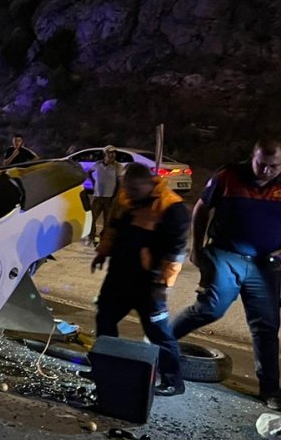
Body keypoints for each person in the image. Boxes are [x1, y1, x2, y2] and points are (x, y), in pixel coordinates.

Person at [171, 139, 281, 410]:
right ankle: (160, 342)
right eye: (262, 164)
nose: (266, 171)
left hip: (265, 265)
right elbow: (200, 209)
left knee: (266, 327)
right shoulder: (228, 175)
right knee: (210, 308)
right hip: (225, 255)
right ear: (252, 158)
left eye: (274, 166)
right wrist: (195, 247)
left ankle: (270, 390)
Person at [91, 163, 190, 396]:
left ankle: (173, 381)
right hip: (119, 276)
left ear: (148, 183)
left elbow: (175, 251)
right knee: (105, 319)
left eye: (135, 189)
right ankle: (105, 368)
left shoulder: (171, 206)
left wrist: (162, 283)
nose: (130, 193)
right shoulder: (126, 197)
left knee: (158, 332)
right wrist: (102, 254)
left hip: (149, 283)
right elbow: (112, 228)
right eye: (127, 188)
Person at [86, 146, 121, 245]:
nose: (112, 155)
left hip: (109, 198)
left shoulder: (117, 167)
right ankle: (91, 236)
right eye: (110, 153)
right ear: (105, 154)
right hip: (97, 196)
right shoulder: (98, 165)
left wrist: (115, 196)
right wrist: (93, 183)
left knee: (107, 221)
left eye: (114, 153)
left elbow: (119, 182)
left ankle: (103, 238)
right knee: (92, 218)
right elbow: (89, 172)